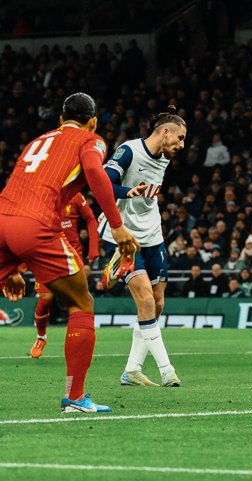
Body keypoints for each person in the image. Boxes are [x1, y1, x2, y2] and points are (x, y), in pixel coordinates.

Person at [0, 92, 139, 413]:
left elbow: (20, 190)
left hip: (4, 220)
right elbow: (95, 174)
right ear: (92, 121)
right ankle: (75, 397)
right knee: (82, 302)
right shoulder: (90, 139)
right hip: (36, 224)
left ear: (60, 119)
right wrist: (116, 226)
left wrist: (13, 267)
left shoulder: (37, 141)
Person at [99, 106, 186, 388]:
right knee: (146, 301)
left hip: (153, 235)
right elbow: (102, 183)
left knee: (158, 304)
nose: (182, 145)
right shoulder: (128, 151)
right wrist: (126, 191)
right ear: (165, 132)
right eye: (180, 138)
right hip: (125, 237)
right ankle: (167, 370)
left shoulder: (165, 156)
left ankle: (132, 369)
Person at [30, 192, 100, 359]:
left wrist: (93, 248)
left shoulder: (76, 196)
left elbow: (91, 219)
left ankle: (83, 340)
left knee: (80, 301)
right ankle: (41, 337)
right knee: (44, 300)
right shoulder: (44, 195)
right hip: (47, 255)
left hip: (72, 255)